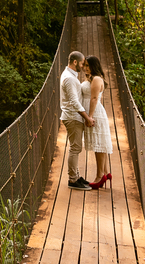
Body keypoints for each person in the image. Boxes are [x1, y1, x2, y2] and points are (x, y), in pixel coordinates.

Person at [61, 50, 95, 190]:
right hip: (73, 117)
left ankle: (76, 176)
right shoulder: (69, 78)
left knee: (76, 147)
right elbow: (74, 102)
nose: (83, 66)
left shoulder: (70, 76)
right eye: (82, 63)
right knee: (75, 148)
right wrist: (87, 117)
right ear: (75, 62)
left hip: (73, 117)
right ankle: (73, 180)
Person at [82, 56, 113, 189]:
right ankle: (105, 173)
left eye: (88, 65)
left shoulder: (96, 79)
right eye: (85, 65)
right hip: (95, 114)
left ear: (94, 66)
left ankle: (100, 176)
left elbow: (94, 98)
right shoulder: (93, 78)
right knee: (100, 144)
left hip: (95, 115)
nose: (85, 68)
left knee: (99, 145)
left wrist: (89, 117)